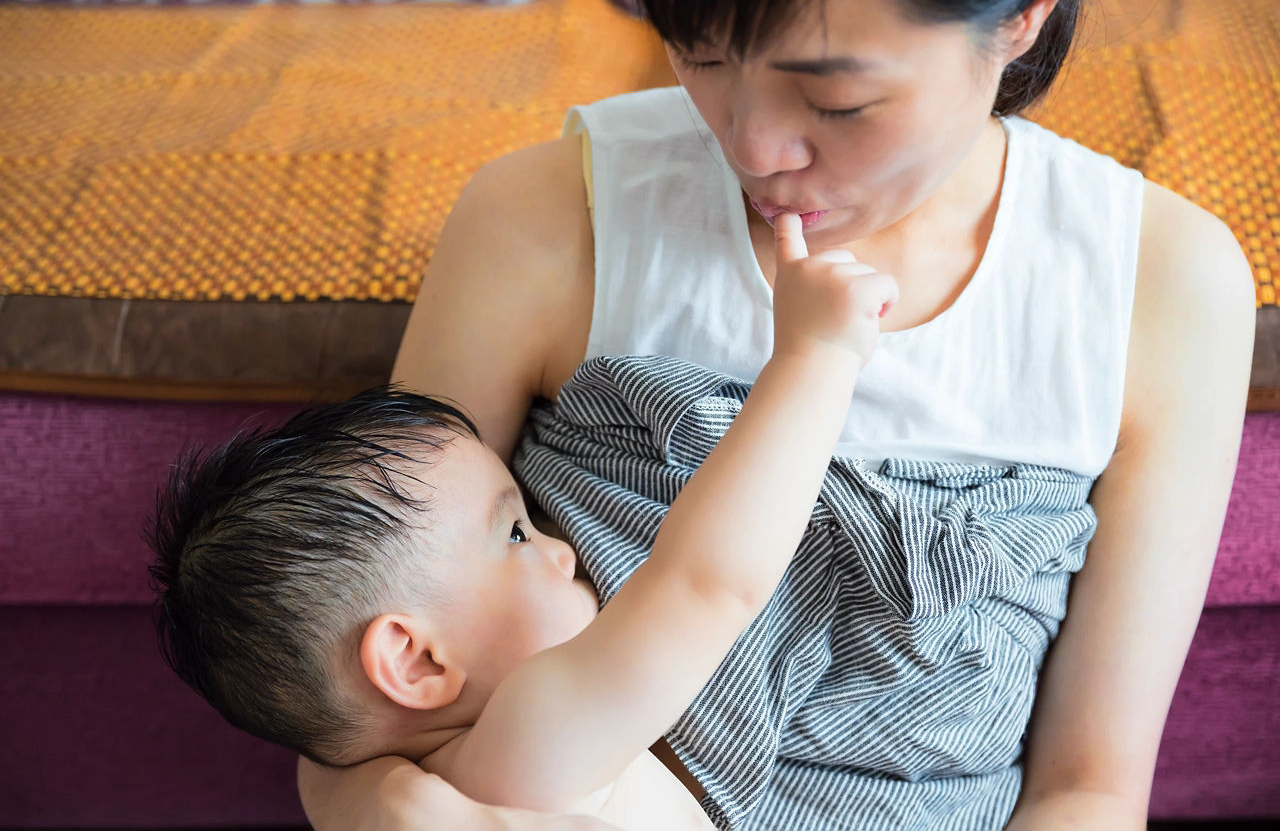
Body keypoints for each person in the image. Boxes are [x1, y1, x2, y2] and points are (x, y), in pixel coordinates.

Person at [299, 0, 1257, 828]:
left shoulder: (1158, 287)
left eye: (837, 99)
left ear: (1026, 9)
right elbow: (357, 676)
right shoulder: (544, 220)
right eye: (702, 55)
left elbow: (1087, 788)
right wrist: (389, 807)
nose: (752, 147)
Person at [149, 217, 895, 829]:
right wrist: (819, 352)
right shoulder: (530, 739)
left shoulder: (417, 778)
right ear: (417, 662)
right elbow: (705, 584)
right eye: (514, 534)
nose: (563, 550)